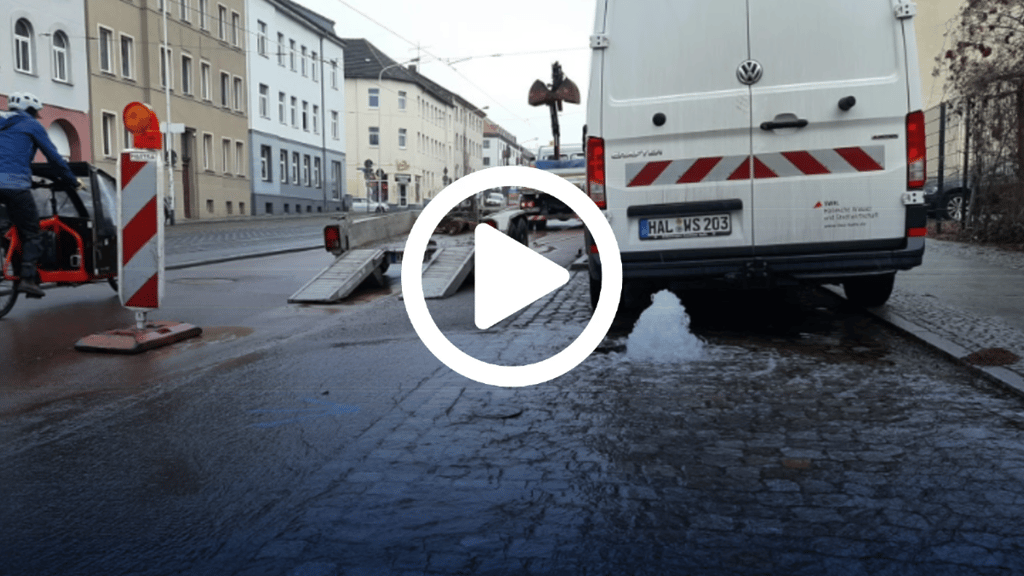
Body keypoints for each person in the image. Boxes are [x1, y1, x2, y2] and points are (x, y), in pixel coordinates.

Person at [0, 92, 79, 298]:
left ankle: (11, 257)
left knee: (6, 228)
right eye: (35, 112)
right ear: (31, 110)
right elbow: (54, 158)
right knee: (31, 232)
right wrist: (72, 180)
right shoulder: (32, 126)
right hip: (15, 186)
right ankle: (27, 279)